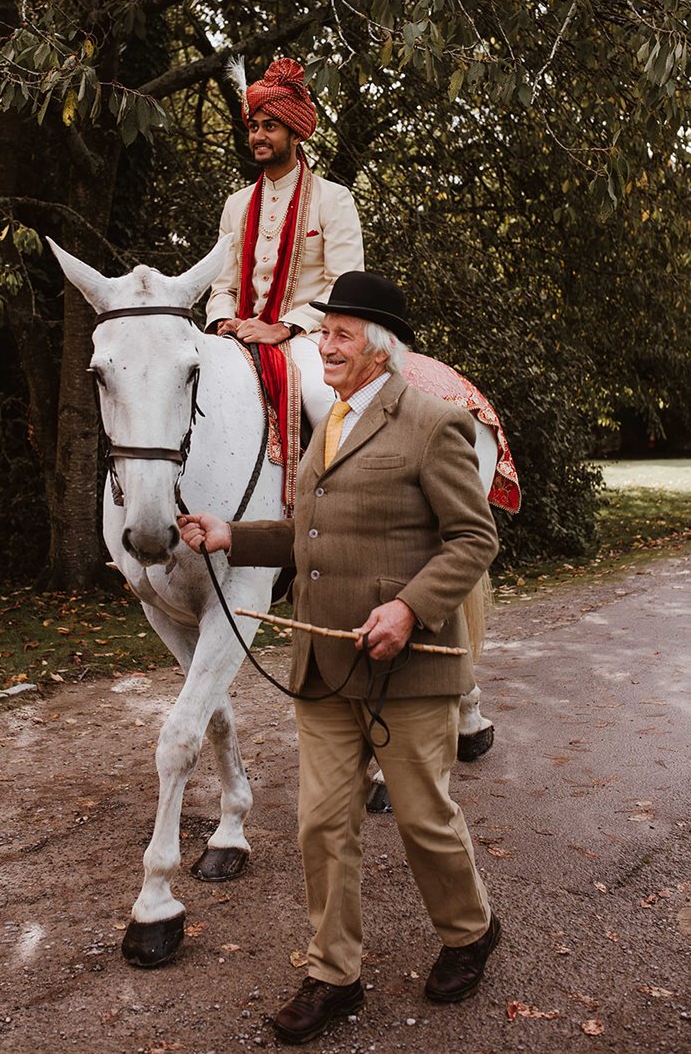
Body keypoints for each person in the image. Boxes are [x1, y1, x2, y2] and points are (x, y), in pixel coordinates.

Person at [180, 270, 501, 1044]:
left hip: (410, 667)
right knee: (323, 826)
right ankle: (335, 974)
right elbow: (310, 536)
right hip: (322, 668)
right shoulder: (324, 428)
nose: (323, 344)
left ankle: (469, 932)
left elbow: (474, 539)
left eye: (341, 334)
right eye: (323, 332)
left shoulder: (434, 423)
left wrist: (408, 607)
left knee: (425, 821)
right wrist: (233, 534)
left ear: (380, 349)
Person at [206, 56, 364, 428]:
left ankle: (341, 484)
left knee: (319, 395)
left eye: (270, 127)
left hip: (309, 338)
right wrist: (223, 322)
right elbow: (222, 285)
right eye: (254, 127)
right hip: (239, 335)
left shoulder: (333, 198)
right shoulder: (237, 205)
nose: (258, 136)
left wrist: (284, 327)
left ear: (295, 134)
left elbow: (345, 284)